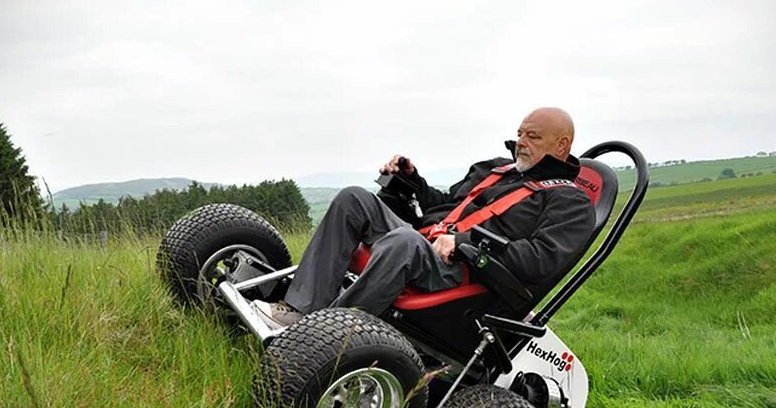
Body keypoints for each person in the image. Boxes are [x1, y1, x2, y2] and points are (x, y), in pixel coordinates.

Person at [254, 107, 596, 329]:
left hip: (469, 271)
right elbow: (446, 205)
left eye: (532, 137)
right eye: (520, 133)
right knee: (353, 198)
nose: (520, 142)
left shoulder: (570, 202)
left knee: (404, 242)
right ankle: (300, 310)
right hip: (427, 241)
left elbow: (540, 260)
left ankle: (329, 332)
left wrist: (464, 243)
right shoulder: (495, 169)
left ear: (561, 145)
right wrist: (412, 181)